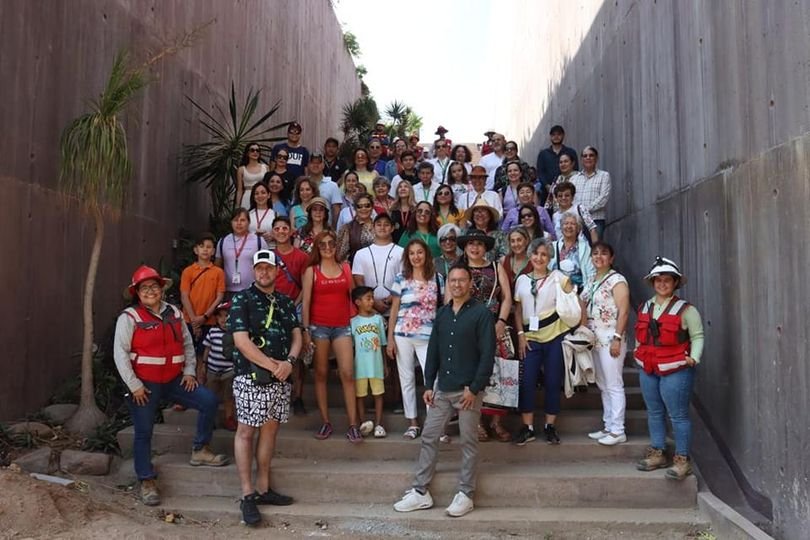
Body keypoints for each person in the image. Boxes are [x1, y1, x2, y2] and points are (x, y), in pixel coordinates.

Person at [114, 265, 227, 507]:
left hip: (175, 381)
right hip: (143, 386)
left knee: (208, 401)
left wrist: (189, 372)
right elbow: (120, 355)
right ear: (137, 292)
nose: (150, 291)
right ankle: (146, 480)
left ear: (162, 289)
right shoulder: (129, 317)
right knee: (144, 432)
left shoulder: (175, 313)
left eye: (154, 286)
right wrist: (134, 385)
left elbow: (187, 345)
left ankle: (200, 449)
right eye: (144, 288)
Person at [393, 264, 495, 518]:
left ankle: (466, 493)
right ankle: (420, 492)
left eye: (462, 280)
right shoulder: (443, 314)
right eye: (453, 280)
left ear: (470, 283)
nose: (457, 284)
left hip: (468, 391)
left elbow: (487, 355)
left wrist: (475, 388)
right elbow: (434, 352)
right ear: (448, 283)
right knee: (429, 436)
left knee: (468, 442)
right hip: (443, 389)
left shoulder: (481, 314)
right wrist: (428, 385)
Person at [230, 250, 301, 525]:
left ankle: (263, 488)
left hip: (281, 377)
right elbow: (241, 341)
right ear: (254, 271)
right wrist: (274, 366)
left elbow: (296, 333)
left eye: (268, 268)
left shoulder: (284, 302)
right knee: (246, 432)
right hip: (251, 375)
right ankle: (247, 495)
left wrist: (290, 362)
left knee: (271, 429)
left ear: (276, 271)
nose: (263, 272)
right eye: (259, 268)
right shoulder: (242, 299)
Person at [634, 257, 704, 480]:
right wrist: (638, 354)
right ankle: (657, 452)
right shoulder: (645, 306)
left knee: (678, 415)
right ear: (653, 282)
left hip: (677, 368)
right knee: (654, 412)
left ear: (675, 283)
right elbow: (640, 336)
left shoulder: (686, 309)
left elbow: (698, 335)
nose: (662, 284)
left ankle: (682, 460)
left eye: (667, 280)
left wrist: (694, 358)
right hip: (648, 367)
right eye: (658, 280)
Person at [512, 238, 579, 445]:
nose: (539, 258)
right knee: (527, 382)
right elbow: (518, 309)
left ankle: (550, 426)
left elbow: (576, 300)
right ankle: (528, 427)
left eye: (544, 254)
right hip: (530, 339)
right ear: (530, 255)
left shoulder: (559, 277)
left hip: (555, 336)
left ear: (549, 258)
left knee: (552, 382)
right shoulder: (522, 280)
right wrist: (521, 335)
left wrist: (579, 328)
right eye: (535, 253)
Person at [301, 231, 361, 442]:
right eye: (323, 244)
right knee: (320, 373)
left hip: (342, 325)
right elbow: (306, 303)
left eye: (331, 244)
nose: (327, 248)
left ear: (336, 246)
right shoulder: (312, 270)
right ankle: (326, 422)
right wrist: (306, 331)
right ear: (317, 247)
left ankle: (353, 424)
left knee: (347, 372)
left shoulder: (345, 267)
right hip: (319, 327)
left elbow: (353, 297)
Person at [457, 229, 512, 442]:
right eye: (470, 243)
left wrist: (501, 321)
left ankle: (497, 422)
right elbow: (449, 299)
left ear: (485, 247)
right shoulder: (459, 269)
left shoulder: (496, 268)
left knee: (498, 373)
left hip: (493, 327)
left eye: (479, 243)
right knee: (471, 375)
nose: (475, 247)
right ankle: (476, 421)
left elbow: (507, 297)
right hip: (466, 330)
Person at [387, 238, 444, 439]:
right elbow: (394, 309)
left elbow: (443, 309)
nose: (416, 256)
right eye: (412, 253)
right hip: (403, 334)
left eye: (419, 252)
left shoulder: (437, 278)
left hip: (429, 336)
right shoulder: (401, 278)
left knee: (433, 380)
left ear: (426, 254)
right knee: (407, 379)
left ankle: (434, 426)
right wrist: (390, 339)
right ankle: (412, 423)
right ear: (407, 256)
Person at [579, 242, 630, 446]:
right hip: (594, 338)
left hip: (611, 337)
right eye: (595, 253)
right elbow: (581, 301)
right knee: (602, 384)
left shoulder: (617, 280)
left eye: (603, 253)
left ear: (612, 258)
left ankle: (618, 430)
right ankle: (608, 425)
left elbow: (624, 311)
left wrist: (618, 337)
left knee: (614, 384)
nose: (599, 256)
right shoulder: (591, 279)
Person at [270, 217, 310, 415]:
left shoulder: (301, 257)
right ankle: (278, 395)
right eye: (277, 228)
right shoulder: (268, 255)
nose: (281, 231)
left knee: (297, 355)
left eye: (285, 228)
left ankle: (298, 396)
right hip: (273, 310)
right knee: (275, 352)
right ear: (273, 232)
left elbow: (305, 286)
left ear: (291, 231)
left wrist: (293, 306)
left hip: (295, 308)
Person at [180, 232, 226, 368]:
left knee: (204, 355)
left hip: (209, 321)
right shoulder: (188, 271)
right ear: (196, 250)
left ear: (213, 251)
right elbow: (184, 295)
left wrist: (205, 317)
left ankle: (202, 383)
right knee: (187, 354)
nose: (205, 249)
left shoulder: (218, 272)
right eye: (201, 246)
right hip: (189, 320)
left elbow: (219, 296)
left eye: (209, 247)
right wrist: (194, 320)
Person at [350, 286, 388, 439]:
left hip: (376, 365)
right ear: (358, 302)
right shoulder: (353, 322)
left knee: (378, 394)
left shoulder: (378, 319)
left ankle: (379, 424)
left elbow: (383, 344)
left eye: (372, 298)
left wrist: (385, 364)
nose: (371, 301)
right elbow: (351, 347)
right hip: (359, 367)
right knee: (360, 396)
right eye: (368, 298)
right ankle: (364, 423)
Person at [351, 213, 405, 317]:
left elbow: (404, 278)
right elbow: (358, 280)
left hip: (395, 310)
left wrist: (389, 299)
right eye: (379, 224)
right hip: (369, 311)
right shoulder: (361, 253)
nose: (382, 227)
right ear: (373, 227)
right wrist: (373, 301)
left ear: (392, 228)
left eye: (386, 224)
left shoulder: (401, 252)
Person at [199, 302, 237, 431]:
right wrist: (204, 365)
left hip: (229, 370)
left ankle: (229, 418)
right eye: (220, 316)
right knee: (210, 396)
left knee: (229, 396)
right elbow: (207, 348)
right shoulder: (212, 331)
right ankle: (211, 420)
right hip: (212, 370)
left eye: (227, 315)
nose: (223, 319)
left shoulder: (236, 334)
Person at [216, 209, 268, 298]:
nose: (239, 223)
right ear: (231, 222)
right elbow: (217, 267)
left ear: (249, 222)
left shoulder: (259, 241)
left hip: (253, 291)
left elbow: (267, 266)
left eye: (242, 220)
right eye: (236, 220)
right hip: (228, 292)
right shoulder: (223, 241)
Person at [570, 146, 611, 238]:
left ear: (596, 158)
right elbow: (570, 199)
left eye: (591, 155)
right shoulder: (573, 179)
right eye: (585, 156)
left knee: (595, 250)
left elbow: (603, 198)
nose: (588, 158)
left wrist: (584, 210)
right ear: (581, 159)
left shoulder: (604, 176)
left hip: (596, 220)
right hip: (578, 221)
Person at [549, 212, 596, 291]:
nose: (569, 226)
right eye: (566, 223)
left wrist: (583, 298)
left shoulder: (585, 248)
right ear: (561, 227)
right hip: (555, 294)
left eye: (573, 224)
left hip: (577, 294)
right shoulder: (553, 246)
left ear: (578, 228)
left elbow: (591, 275)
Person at [536, 125, 579, 189]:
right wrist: (547, 186)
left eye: (559, 134)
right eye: (553, 135)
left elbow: (575, 169)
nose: (556, 137)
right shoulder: (543, 154)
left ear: (563, 135)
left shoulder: (571, 152)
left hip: (568, 188)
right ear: (550, 137)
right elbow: (540, 173)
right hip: (547, 191)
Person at [337, 192, 376, 263]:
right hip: (356, 268)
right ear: (355, 208)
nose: (363, 209)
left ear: (372, 207)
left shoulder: (379, 226)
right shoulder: (347, 228)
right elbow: (341, 255)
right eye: (359, 206)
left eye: (367, 205)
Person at [306, 151, 343, 222]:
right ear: (308, 165)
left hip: (326, 228)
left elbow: (336, 211)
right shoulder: (303, 184)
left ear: (323, 165)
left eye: (318, 163)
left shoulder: (332, 185)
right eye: (313, 163)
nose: (315, 165)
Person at [236, 143, 270, 210]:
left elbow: (268, 186)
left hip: (262, 197)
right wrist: (237, 206)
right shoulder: (241, 169)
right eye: (252, 150)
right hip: (247, 197)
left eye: (257, 150)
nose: (255, 152)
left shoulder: (266, 167)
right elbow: (239, 190)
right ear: (247, 153)